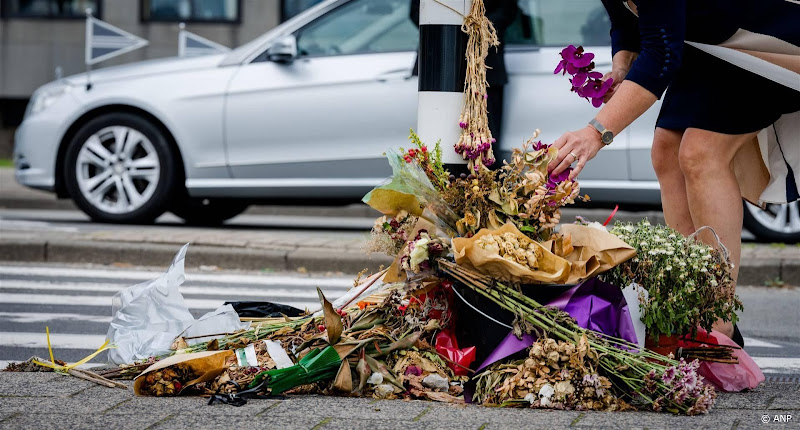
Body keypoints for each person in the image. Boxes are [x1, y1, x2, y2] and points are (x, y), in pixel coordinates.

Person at [548, 0, 800, 346]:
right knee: (666, 152)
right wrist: (623, 59)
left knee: (701, 152)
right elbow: (625, 14)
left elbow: (661, 57)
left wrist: (596, 133)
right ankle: (691, 305)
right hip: (709, 42)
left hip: (765, 38)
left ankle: (719, 324)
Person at [410, 0, 518, 166]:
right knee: (435, 137)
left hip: (486, 67)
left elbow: (507, 11)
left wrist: (476, 28)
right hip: (439, 63)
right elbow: (418, 11)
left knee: (485, 144)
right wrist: (454, 29)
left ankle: (485, 187)